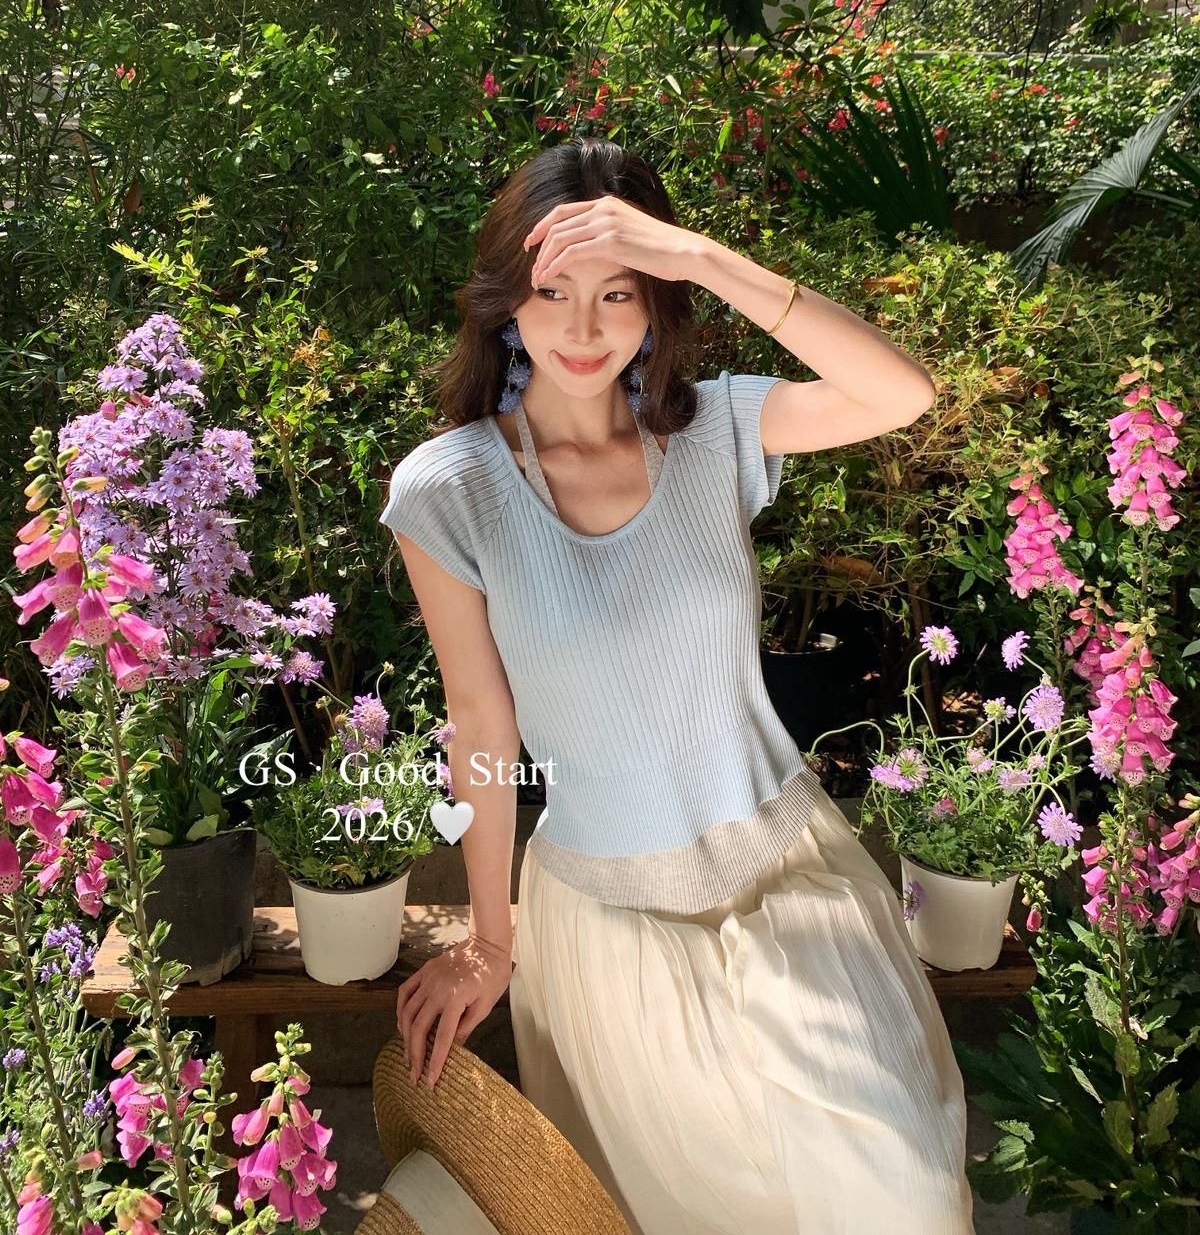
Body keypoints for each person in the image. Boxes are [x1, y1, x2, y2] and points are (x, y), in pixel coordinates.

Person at [381, 136, 976, 1235]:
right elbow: (480, 721)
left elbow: (902, 391)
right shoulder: (450, 488)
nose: (583, 327)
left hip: (790, 884)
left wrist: (700, 253)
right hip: (607, 932)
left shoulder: (716, 432)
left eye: (619, 291)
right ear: (507, 304)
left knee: (906, 1198)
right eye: (552, 291)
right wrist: (490, 940)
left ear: (657, 301)